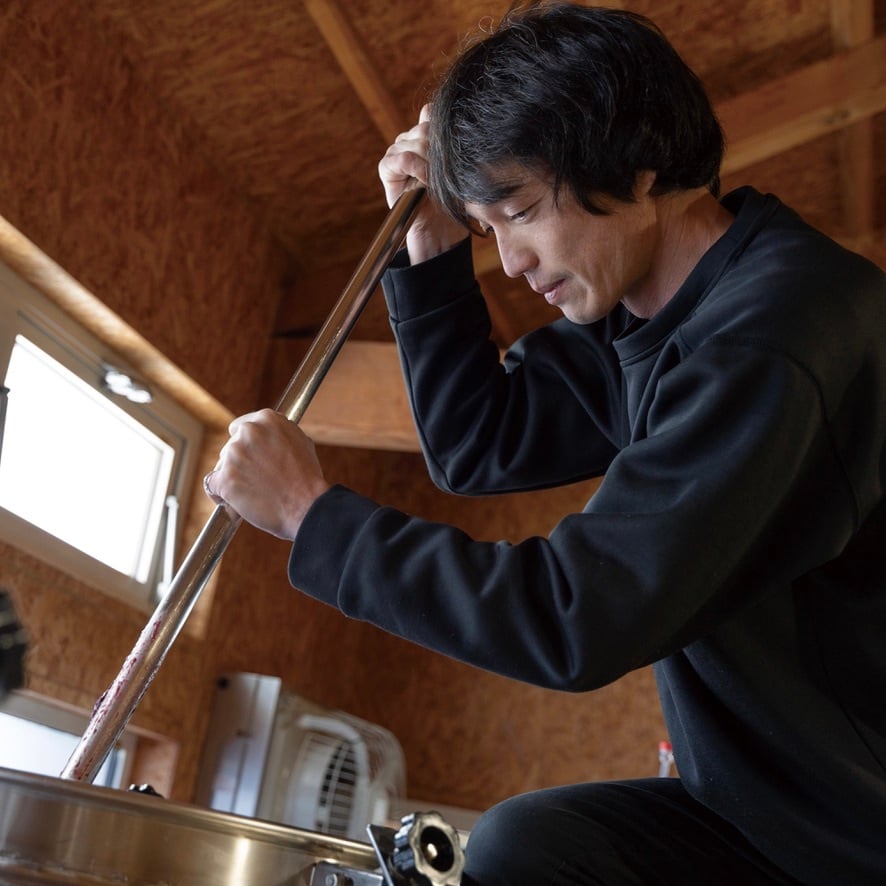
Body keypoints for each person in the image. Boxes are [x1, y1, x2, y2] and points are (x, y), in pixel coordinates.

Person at [203, 4, 886, 883]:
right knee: (533, 845)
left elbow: (579, 617)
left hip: (849, 835)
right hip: (764, 807)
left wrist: (312, 516)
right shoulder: (649, 312)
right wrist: (432, 247)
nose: (513, 259)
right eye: (489, 229)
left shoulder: (778, 334)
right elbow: (479, 442)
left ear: (634, 164)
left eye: (520, 210)